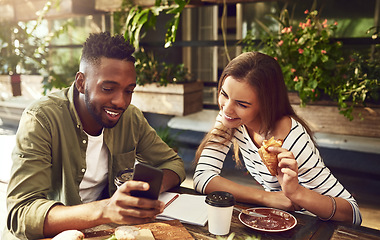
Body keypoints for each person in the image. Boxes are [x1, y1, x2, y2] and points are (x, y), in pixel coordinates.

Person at [5, 32, 186, 239]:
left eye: (129, 91)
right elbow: (21, 214)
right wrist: (106, 209)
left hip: (104, 231)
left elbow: (173, 163)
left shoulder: (131, 118)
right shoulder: (41, 119)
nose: (121, 102)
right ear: (81, 82)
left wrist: (144, 192)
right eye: (108, 88)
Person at [193, 51, 362, 225]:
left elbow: (353, 214)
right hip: (276, 221)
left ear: (266, 104)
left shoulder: (292, 140)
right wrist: (266, 197)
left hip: (312, 226)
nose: (227, 109)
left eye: (242, 104)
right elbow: (202, 178)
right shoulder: (230, 120)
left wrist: (296, 192)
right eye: (224, 94)